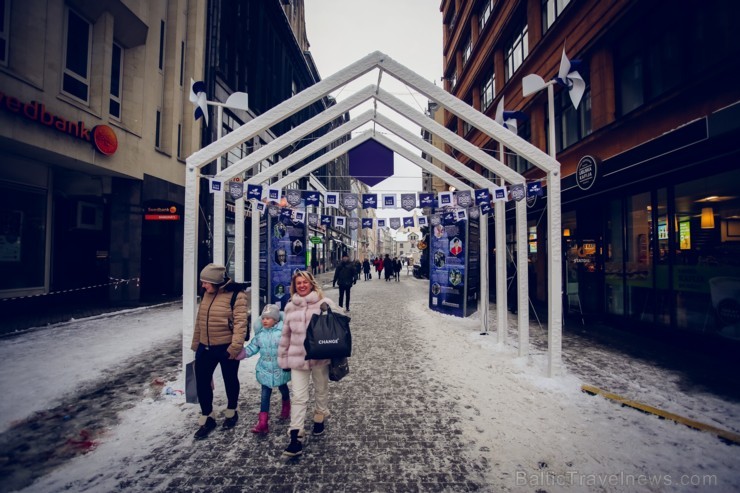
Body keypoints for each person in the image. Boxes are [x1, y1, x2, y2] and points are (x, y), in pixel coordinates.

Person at [278, 270, 338, 457]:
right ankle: (296, 435)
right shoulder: (290, 307)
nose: (302, 286)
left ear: (311, 284)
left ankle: (320, 416)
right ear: (294, 286)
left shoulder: (324, 304)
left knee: (321, 390)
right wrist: (283, 357)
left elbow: (338, 325)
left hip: (320, 357)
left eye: (305, 282)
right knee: (299, 396)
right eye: (298, 283)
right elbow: (285, 335)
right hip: (297, 358)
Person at [191, 263, 249, 439]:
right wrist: (196, 344)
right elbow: (200, 320)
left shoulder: (237, 295)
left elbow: (240, 324)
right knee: (202, 381)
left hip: (226, 347)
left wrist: (235, 348)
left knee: (230, 379)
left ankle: (232, 411)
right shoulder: (206, 294)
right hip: (205, 346)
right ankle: (207, 416)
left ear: (215, 282)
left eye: (206, 283)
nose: (203, 286)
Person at [243, 304, 291, 434]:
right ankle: (263, 422)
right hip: (265, 369)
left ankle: (286, 405)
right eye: (263, 318)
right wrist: (242, 353)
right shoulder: (260, 335)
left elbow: (290, 347)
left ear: (276, 320)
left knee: (283, 388)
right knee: (264, 395)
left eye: (268, 318)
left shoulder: (282, 333)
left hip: (280, 368)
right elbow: (253, 347)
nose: (265, 320)